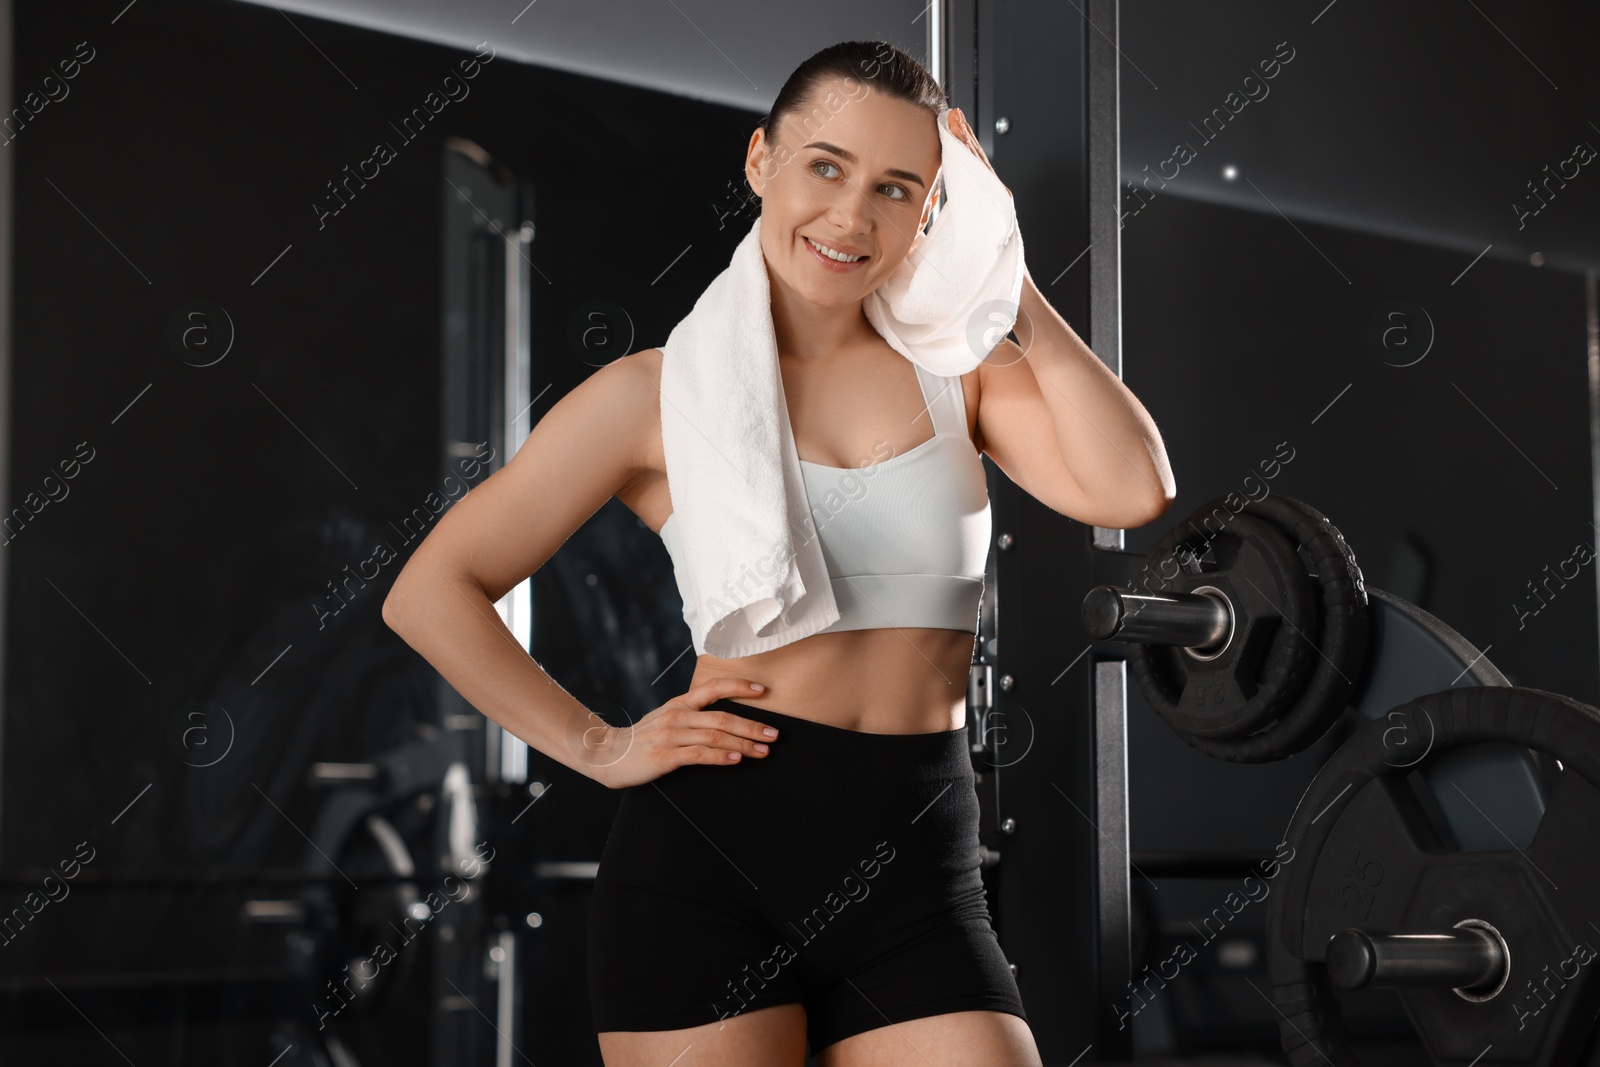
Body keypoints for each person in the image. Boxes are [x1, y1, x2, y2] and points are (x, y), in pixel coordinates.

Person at [383, 39, 1173, 1067]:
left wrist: (1003, 273)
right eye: (826, 167)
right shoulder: (652, 395)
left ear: (936, 209)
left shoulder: (961, 375)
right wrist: (598, 745)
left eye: (897, 188)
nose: (850, 217)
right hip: (706, 866)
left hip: (918, 867)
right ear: (762, 161)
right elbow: (431, 589)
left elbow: (1131, 486)